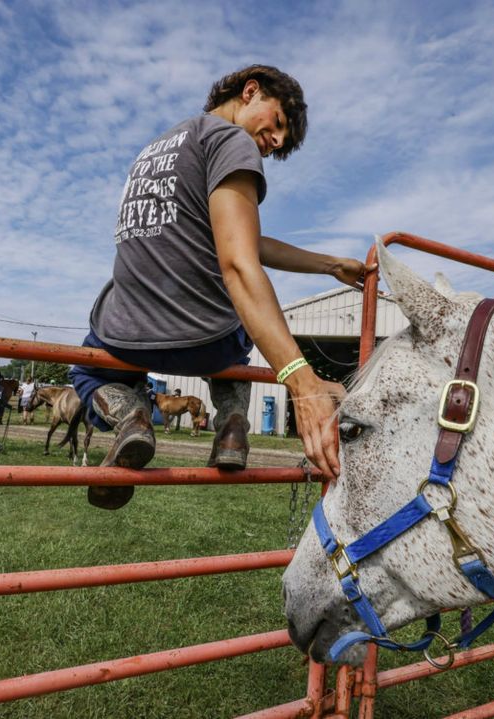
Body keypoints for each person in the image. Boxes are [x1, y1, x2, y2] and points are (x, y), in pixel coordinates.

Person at [68, 65, 373, 510]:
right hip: (207, 341)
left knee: (86, 372)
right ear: (250, 91)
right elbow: (238, 260)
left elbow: (239, 236)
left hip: (127, 337)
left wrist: (328, 265)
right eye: (280, 123)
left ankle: (132, 417)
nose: (278, 141)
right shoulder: (231, 141)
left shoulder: (154, 151)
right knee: (238, 334)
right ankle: (231, 424)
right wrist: (301, 381)